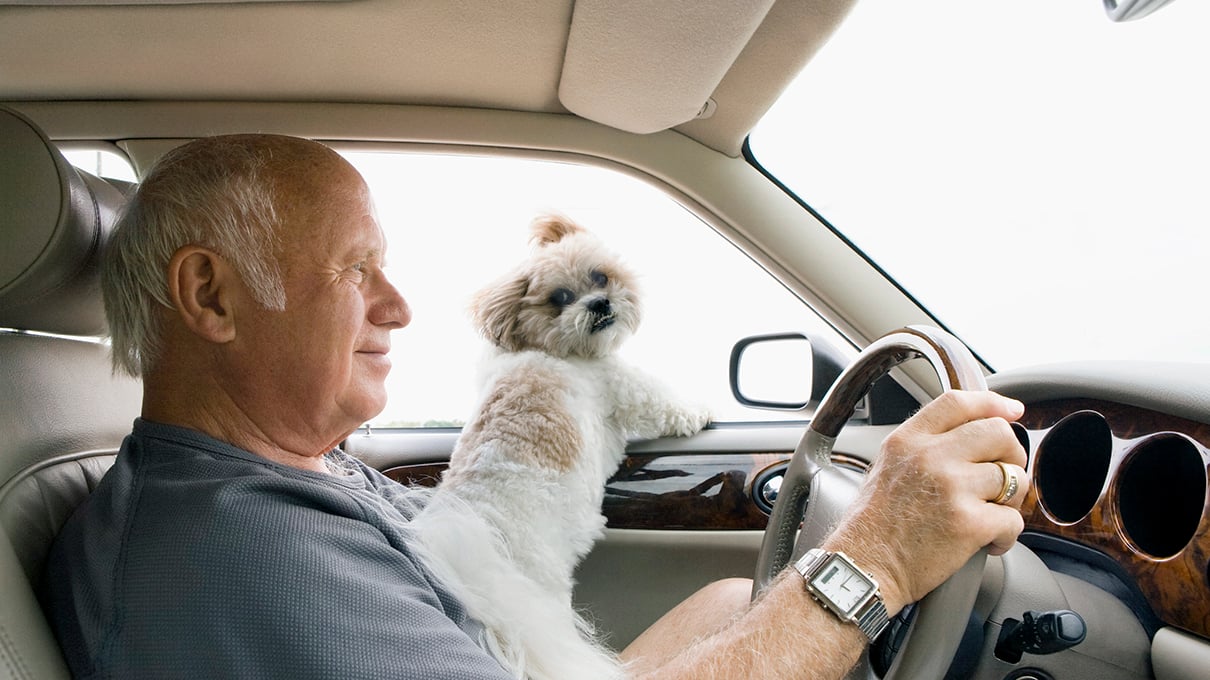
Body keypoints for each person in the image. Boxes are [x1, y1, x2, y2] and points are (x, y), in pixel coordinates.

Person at [42, 134, 1029, 679]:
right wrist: (878, 559)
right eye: (357, 271)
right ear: (211, 295)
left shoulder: (279, 472)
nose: (399, 306)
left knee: (737, 601)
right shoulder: (238, 545)